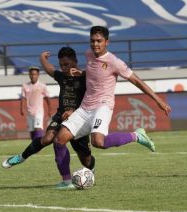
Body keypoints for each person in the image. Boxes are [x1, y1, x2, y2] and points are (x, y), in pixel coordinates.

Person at [53, 26, 172, 170]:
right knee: (59, 140)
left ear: (106, 42)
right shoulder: (89, 54)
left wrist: (158, 100)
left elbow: (137, 81)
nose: (95, 44)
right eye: (92, 41)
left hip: (103, 105)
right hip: (85, 107)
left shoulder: (115, 62)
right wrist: (81, 73)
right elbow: (94, 72)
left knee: (98, 141)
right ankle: (66, 182)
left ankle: (137, 136)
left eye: (99, 41)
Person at [2, 47, 93, 189]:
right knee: (48, 138)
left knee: (86, 160)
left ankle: (91, 171)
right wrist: (42, 58)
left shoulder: (85, 78)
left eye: (66, 64)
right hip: (61, 116)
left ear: (75, 62)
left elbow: (93, 98)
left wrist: (74, 111)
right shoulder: (62, 76)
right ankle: (22, 158)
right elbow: (50, 69)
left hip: (79, 119)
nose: (63, 68)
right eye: (61, 65)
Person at [20, 66, 52, 140]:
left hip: (39, 111)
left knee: (38, 128)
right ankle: (34, 146)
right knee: (32, 130)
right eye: (31, 74)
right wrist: (21, 109)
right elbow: (23, 98)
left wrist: (49, 109)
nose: (33, 76)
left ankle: (38, 145)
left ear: (38, 75)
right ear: (29, 75)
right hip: (29, 112)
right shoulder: (25, 86)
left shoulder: (42, 86)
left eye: (34, 74)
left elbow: (47, 97)